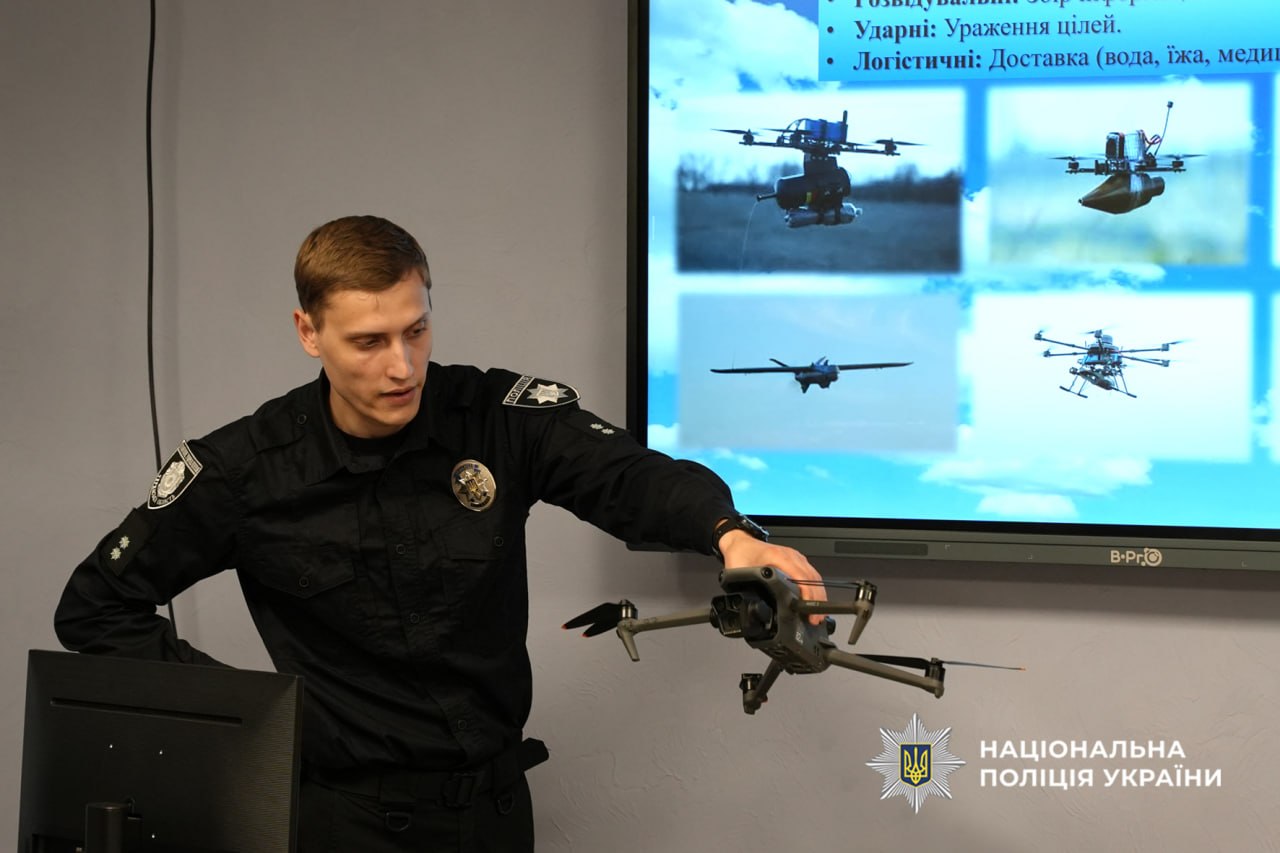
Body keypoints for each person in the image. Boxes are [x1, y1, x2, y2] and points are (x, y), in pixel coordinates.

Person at [55, 214, 825, 852]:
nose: (403, 366)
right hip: (340, 823)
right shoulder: (247, 468)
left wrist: (731, 534)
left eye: (416, 330)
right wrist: (255, 716)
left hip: (493, 812)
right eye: (369, 341)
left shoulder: (494, 416)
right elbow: (96, 608)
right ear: (308, 332)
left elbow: (627, 475)